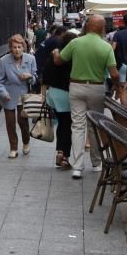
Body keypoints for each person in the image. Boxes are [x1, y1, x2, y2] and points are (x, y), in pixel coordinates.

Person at [53, 14, 119, 179]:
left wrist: (55, 53)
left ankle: (77, 166)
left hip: (76, 86)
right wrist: (118, 84)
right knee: (95, 125)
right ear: (102, 28)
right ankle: (96, 163)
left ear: (87, 26)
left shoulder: (76, 42)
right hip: (97, 88)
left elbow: (59, 61)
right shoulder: (106, 47)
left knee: (77, 125)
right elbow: (113, 73)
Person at [0, 34, 37, 157]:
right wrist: (3, 92)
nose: (17, 50)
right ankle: (13, 148)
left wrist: (29, 76)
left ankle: (26, 142)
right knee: (10, 122)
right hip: (9, 95)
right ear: (10, 48)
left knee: (22, 121)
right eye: (14, 47)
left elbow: (35, 79)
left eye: (19, 47)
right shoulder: (4, 61)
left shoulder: (31, 59)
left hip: (24, 96)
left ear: (23, 47)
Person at [44, 30, 77, 171]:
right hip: (65, 95)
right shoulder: (71, 58)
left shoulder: (54, 55)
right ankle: (64, 156)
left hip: (53, 94)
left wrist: (43, 96)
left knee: (62, 125)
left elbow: (45, 77)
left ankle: (60, 152)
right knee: (67, 126)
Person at [112, 13, 127, 108]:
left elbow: (112, 49)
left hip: (122, 66)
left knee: (123, 90)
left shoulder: (117, 34)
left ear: (124, 22)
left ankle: (125, 113)